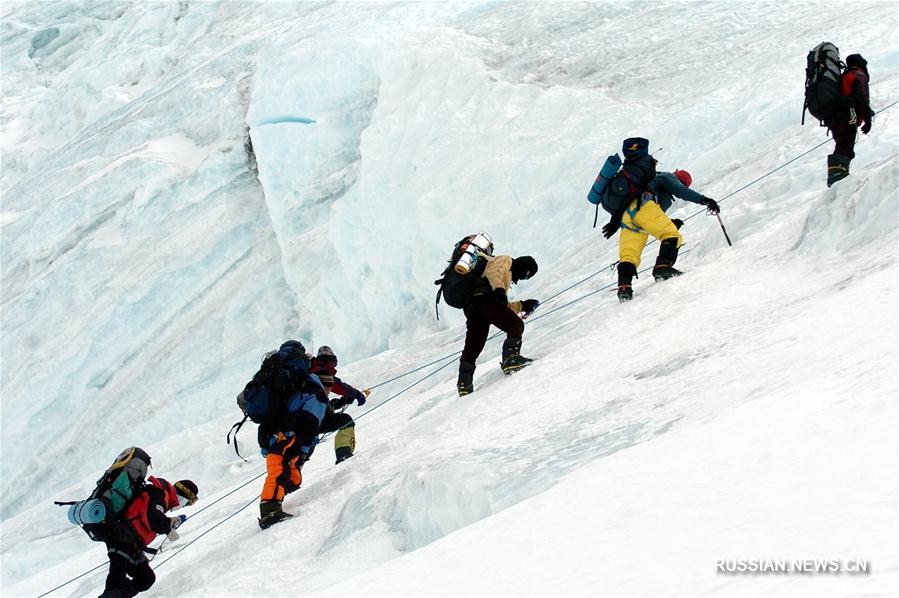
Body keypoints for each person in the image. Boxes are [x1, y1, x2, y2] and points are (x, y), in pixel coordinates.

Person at [604, 169, 719, 301]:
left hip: (627, 217)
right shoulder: (667, 177)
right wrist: (705, 200)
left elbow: (652, 219)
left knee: (629, 255)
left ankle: (624, 287)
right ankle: (662, 267)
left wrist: (669, 222)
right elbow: (681, 192)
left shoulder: (656, 186)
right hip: (642, 206)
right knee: (672, 235)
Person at [256, 340, 329, 529]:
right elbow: (312, 415)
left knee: (290, 474)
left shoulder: (272, 374)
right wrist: (305, 448)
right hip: (288, 430)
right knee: (280, 469)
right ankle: (270, 510)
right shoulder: (306, 380)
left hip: (268, 431)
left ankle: (275, 496)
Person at [99, 478, 198, 598]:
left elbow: (147, 516)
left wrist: (167, 523)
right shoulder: (160, 494)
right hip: (121, 536)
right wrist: (168, 527)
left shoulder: (160, 495)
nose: (181, 506)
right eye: (185, 502)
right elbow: (154, 520)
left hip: (130, 541)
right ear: (183, 497)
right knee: (116, 584)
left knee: (145, 578)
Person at [457, 255, 539, 396]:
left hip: (473, 306)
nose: (519, 280)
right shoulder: (506, 260)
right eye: (525, 276)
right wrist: (500, 290)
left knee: (473, 345)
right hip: (484, 299)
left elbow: (500, 308)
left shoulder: (499, 280)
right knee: (515, 325)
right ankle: (511, 358)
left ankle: (464, 383)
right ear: (522, 267)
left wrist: (522, 305)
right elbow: (494, 273)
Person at [309, 345, 369, 464]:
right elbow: (338, 385)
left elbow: (315, 402)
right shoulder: (319, 371)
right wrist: (356, 394)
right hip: (312, 420)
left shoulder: (309, 372)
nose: (332, 365)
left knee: (300, 451)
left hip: (302, 418)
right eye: (331, 362)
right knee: (346, 420)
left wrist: (340, 402)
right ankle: (344, 455)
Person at [825, 53, 873, 187]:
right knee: (845, 145)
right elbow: (861, 98)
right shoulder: (858, 75)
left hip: (835, 117)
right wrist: (868, 118)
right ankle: (838, 179)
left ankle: (837, 178)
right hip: (847, 114)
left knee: (842, 144)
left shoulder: (844, 76)